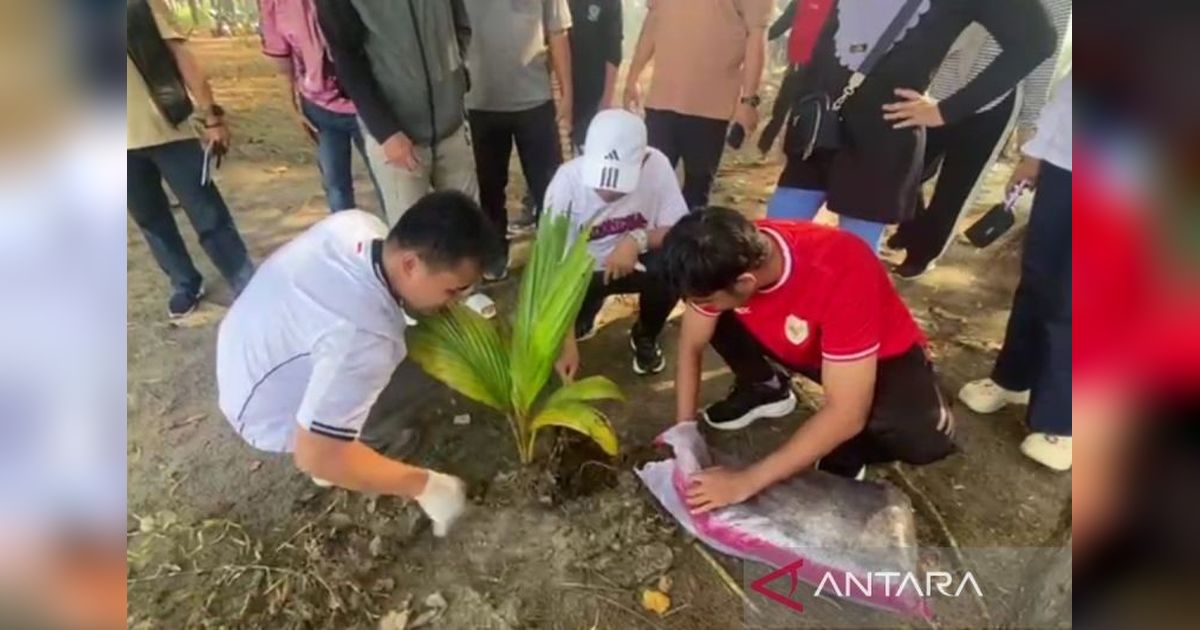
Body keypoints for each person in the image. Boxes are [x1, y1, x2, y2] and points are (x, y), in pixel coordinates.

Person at [216, 191, 496, 536]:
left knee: (401, 350)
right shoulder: (365, 339)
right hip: (263, 411)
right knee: (419, 376)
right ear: (410, 264)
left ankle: (332, 424)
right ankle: (365, 444)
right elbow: (314, 457)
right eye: (452, 291)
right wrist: (427, 486)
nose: (457, 302)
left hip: (246, 350)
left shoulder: (358, 225)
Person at [660, 208, 956, 508]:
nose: (697, 306)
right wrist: (684, 429)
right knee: (714, 318)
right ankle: (765, 386)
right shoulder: (721, 253)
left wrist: (745, 481)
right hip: (799, 344)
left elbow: (846, 413)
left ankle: (848, 451)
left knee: (922, 438)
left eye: (703, 300)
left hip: (879, 357)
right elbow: (691, 345)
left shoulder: (841, 269)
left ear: (746, 282)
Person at [767, 0, 1056, 252]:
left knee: (854, 259)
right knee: (774, 242)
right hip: (818, 123)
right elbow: (821, 31)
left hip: (881, 136)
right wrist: (795, 115)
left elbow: (1037, 41)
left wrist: (946, 110)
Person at [889, 0, 1072, 278]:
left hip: (992, 101)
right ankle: (912, 226)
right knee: (905, 167)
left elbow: (1043, 58)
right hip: (939, 85)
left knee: (957, 188)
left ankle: (924, 252)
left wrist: (1028, 125)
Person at [958, 72, 1072, 471]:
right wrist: (1034, 154)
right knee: (1038, 280)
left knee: (1075, 300)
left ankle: (1062, 420)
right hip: (1065, 164)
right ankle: (1012, 378)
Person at [127, 0, 255, 318]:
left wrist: (211, 115)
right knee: (151, 220)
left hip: (171, 131)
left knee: (207, 213)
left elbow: (181, 57)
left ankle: (245, 282)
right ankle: (184, 283)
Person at [548, 110, 688, 379]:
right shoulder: (566, 181)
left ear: (643, 160)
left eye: (619, 184)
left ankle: (646, 334)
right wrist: (566, 343)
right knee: (562, 330)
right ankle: (589, 307)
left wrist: (638, 239)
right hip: (580, 275)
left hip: (635, 264)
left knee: (673, 265)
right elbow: (555, 267)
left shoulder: (656, 164)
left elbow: (680, 230)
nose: (608, 193)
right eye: (600, 183)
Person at [315, 0, 476, 227]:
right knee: (415, 241)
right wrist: (386, 131)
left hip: (452, 127)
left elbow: (460, 24)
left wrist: (456, 84)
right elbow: (347, 59)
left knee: (468, 231)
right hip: (398, 140)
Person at [624, 0, 772, 210]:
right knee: (646, 189)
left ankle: (686, 242)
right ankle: (646, 242)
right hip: (661, 100)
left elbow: (756, 37)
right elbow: (654, 19)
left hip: (710, 108)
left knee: (695, 197)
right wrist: (633, 75)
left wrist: (748, 100)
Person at [462, 0, 573, 278]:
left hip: (535, 101)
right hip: (478, 101)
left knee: (550, 188)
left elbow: (558, 32)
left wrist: (567, 92)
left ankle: (553, 258)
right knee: (488, 189)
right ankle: (494, 256)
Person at [259, 0, 381, 213]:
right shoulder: (274, 4)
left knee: (386, 180)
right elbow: (282, 61)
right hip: (319, 107)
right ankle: (345, 240)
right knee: (336, 187)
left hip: (367, 103)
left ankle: (401, 239)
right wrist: (293, 108)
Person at [567, 0, 624, 152]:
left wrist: (606, 100)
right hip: (560, 91)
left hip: (592, 92)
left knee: (587, 149)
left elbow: (613, 52)